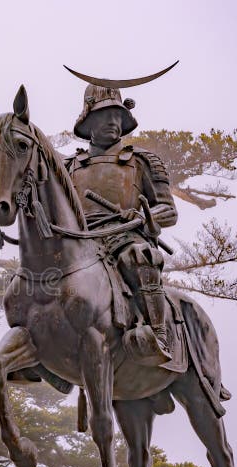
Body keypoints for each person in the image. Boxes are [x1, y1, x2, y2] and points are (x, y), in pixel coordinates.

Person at [65, 84, 178, 362]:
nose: (113, 122)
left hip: (126, 238)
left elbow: (169, 210)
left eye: (118, 116)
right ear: (89, 121)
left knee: (142, 257)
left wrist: (143, 216)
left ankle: (158, 333)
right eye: (105, 116)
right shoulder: (69, 167)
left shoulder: (142, 162)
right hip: (81, 241)